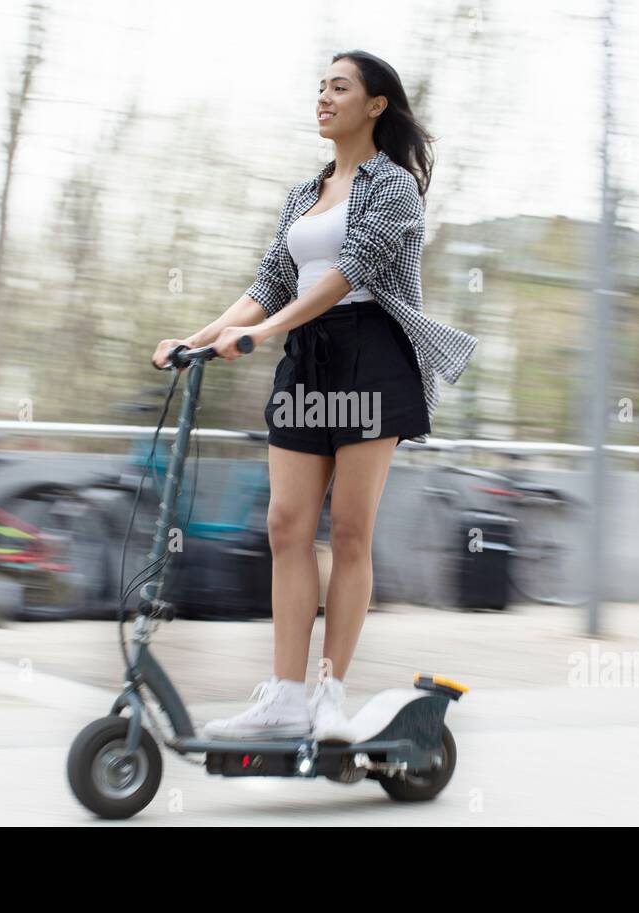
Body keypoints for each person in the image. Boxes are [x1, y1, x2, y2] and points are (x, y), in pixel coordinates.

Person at [152, 50, 477, 742]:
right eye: (320, 88)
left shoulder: (394, 190)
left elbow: (347, 273)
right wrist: (199, 338)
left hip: (370, 354)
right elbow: (272, 279)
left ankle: (331, 694)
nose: (323, 98)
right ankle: (287, 697)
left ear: (375, 105)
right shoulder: (303, 193)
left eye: (339, 87)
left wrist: (264, 331)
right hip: (306, 359)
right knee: (285, 527)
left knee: (351, 531)